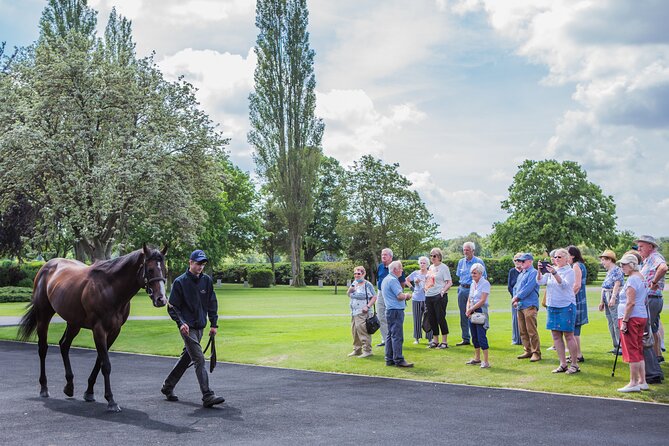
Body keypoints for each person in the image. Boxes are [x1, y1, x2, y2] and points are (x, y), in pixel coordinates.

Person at [162, 249, 225, 407]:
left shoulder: (207, 281)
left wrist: (214, 324)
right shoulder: (180, 282)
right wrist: (181, 323)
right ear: (190, 262)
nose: (200, 267)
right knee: (199, 359)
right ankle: (207, 395)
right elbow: (172, 307)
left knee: (187, 357)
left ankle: (167, 386)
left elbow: (212, 303)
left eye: (203, 264)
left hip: (200, 326)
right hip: (187, 328)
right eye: (198, 264)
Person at [537, 248, 580, 375]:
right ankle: (562, 363)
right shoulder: (550, 271)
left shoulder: (569, 271)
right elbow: (540, 281)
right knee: (555, 335)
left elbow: (565, 285)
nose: (556, 259)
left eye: (559, 257)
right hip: (552, 305)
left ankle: (574, 364)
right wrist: (540, 270)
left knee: (568, 335)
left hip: (565, 305)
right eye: (555, 257)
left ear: (567, 259)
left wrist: (555, 273)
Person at [616, 254, 649, 392]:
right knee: (638, 348)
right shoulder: (641, 278)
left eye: (623, 265)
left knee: (632, 350)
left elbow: (630, 302)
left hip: (632, 317)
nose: (621, 267)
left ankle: (633, 382)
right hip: (640, 316)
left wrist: (625, 321)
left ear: (631, 265)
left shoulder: (632, 279)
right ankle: (642, 381)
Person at [635, 235, 667, 361]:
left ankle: (649, 360)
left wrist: (654, 282)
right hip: (653, 298)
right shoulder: (648, 259)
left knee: (646, 329)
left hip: (651, 298)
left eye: (641, 246)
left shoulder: (654, 257)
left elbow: (663, 268)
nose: (639, 249)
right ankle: (658, 356)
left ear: (650, 246)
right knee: (653, 328)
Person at [381, 261, 414, 367]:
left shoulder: (385, 279)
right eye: (400, 268)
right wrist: (407, 295)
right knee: (397, 336)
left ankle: (389, 358)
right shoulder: (393, 280)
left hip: (389, 310)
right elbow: (399, 296)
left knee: (390, 335)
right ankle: (399, 359)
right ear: (395, 270)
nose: (402, 270)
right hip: (396, 310)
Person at [455, 242, 487, 346]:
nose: (465, 252)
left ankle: (478, 338)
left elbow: (484, 277)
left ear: (473, 251)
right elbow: (459, 276)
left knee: (477, 313)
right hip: (462, 289)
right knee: (464, 314)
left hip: (474, 289)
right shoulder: (461, 262)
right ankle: (465, 338)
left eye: (467, 250)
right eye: (464, 250)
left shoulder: (478, 262)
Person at [512, 253, 541, 362]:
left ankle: (536, 353)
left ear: (530, 261)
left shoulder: (533, 273)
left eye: (523, 261)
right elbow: (516, 287)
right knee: (523, 330)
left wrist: (517, 297)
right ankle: (527, 350)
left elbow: (528, 288)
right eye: (520, 261)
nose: (521, 263)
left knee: (531, 330)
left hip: (530, 305)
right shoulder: (521, 274)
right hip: (520, 305)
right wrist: (516, 299)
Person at [346, 266, 378, 358]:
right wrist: (350, 290)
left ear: (363, 274)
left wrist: (368, 306)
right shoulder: (354, 283)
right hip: (354, 312)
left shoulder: (367, 284)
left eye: (358, 273)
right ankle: (357, 350)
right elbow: (349, 294)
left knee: (363, 332)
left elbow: (374, 297)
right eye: (355, 273)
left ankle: (367, 350)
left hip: (363, 312)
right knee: (355, 331)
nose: (356, 275)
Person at [424, 248, 452, 349]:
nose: (432, 257)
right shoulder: (430, 267)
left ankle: (444, 341)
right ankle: (435, 340)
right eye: (431, 255)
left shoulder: (443, 267)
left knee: (440, 318)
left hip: (439, 296)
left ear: (439, 257)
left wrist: (443, 291)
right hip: (429, 295)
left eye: (434, 256)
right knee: (432, 319)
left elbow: (449, 282)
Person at [376, 248, 405, 347]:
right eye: (382, 254)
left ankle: (393, 339)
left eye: (385, 255)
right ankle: (385, 340)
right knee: (380, 316)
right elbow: (378, 280)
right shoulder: (380, 267)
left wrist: (399, 293)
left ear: (391, 257)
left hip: (392, 294)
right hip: (380, 293)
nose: (383, 256)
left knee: (392, 316)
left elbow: (402, 283)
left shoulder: (396, 267)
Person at [465, 264, 491, 368]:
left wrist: (471, 309)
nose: (473, 275)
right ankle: (477, 358)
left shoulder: (485, 283)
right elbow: (469, 298)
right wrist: (468, 308)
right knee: (474, 336)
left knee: (481, 336)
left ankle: (486, 361)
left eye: (475, 273)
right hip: (471, 310)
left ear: (480, 273)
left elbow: (483, 300)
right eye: (472, 273)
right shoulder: (472, 284)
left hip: (480, 311)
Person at [598, 249, 623, 354]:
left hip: (614, 298)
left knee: (616, 322)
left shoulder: (617, 270)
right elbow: (604, 287)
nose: (602, 262)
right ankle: (615, 345)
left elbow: (617, 284)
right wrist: (601, 301)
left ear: (610, 260)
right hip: (606, 297)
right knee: (610, 322)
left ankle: (621, 347)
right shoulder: (608, 271)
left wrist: (613, 298)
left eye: (604, 260)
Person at [567, 245, 588, 363]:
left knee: (574, 329)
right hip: (581, 298)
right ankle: (575, 354)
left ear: (573, 255)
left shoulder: (576, 266)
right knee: (576, 329)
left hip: (577, 299)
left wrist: (569, 296)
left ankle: (577, 354)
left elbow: (577, 285)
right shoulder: (581, 265)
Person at [405, 256, 432, 344]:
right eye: (421, 263)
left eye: (424, 263)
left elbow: (432, 284)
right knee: (417, 318)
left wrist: (423, 283)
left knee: (428, 318)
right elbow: (407, 280)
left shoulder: (430, 274)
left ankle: (430, 338)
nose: (422, 264)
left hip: (427, 298)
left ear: (427, 264)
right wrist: (413, 288)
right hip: (416, 298)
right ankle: (417, 338)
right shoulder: (415, 273)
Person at [507, 253, 524, 346]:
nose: (517, 262)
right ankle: (516, 339)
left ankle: (524, 339)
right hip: (514, 299)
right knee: (515, 319)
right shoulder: (512, 271)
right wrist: (514, 298)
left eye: (519, 260)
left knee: (524, 319)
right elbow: (510, 286)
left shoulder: (525, 272)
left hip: (524, 299)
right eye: (515, 260)